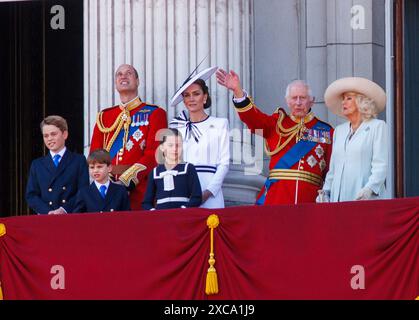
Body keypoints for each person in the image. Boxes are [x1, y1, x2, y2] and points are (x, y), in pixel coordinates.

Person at [216, 69, 333, 205]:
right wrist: (238, 91)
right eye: (294, 98)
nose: (298, 102)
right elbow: (254, 119)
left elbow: (332, 171)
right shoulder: (277, 123)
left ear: (312, 101)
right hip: (277, 197)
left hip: (310, 199)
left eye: (303, 98)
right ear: (287, 101)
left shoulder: (326, 131)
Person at [90, 64, 167, 210]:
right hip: (107, 190)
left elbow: (155, 155)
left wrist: (126, 180)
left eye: (129, 73)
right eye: (119, 74)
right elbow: (95, 154)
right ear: (115, 83)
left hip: (141, 191)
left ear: (137, 81)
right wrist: (109, 183)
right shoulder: (104, 117)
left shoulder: (155, 113)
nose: (123, 76)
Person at [317, 77, 388, 202]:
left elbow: (380, 166)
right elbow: (333, 169)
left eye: (349, 98)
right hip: (338, 201)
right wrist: (326, 192)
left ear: (362, 101)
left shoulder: (377, 126)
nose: (343, 102)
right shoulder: (339, 131)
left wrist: (369, 189)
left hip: (366, 200)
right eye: (343, 98)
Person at [169, 66, 229, 209]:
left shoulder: (220, 123)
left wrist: (207, 193)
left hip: (210, 194)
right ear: (183, 100)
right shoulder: (176, 126)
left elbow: (224, 164)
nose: (191, 99)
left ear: (205, 97)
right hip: (182, 192)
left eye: (196, 94)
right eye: (187, 95)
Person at [26, 115, 89, 214]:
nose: (49, 138)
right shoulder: (37, 164)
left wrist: (64, 210)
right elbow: (31, 195)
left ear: (65, 134)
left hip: (71, 216)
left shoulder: (78, 160)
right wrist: (48, 212)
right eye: (46, 136)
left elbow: (83, 191)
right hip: (46, 218)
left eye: (53, 134)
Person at [142, 128, 202, 210]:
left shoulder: (188, 168)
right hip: (161, 218)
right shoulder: (155, 172)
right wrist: (154, 212)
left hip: (182, 216)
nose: (174, 149)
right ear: (162, 147)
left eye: (178, 145)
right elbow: (146, 203)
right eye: (170, 145)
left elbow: (197, 197)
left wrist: (184, 209)